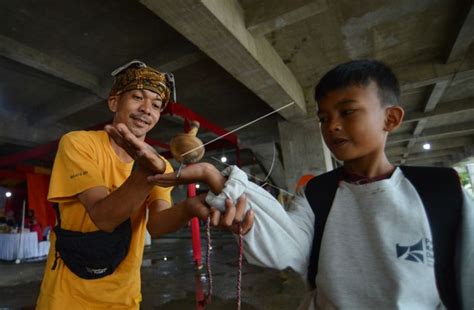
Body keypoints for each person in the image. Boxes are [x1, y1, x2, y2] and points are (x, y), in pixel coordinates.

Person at [138, 60, 473, 309]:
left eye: (348, 112)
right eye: (324, 118)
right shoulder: (319, 194)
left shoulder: (440, 192)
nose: (333, 127)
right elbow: (283, 247)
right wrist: (218, 180)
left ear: (391, 118)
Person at [36, 60, 215, 309]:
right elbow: (104, 218)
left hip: (125, 297)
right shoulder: (79, 143)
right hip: (67, 297)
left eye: (155, 105)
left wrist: (192, 207)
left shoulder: (161, 164)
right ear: (114, 102)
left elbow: (157, 224)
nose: (146, 109)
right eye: (137, 97)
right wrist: (145, 172)